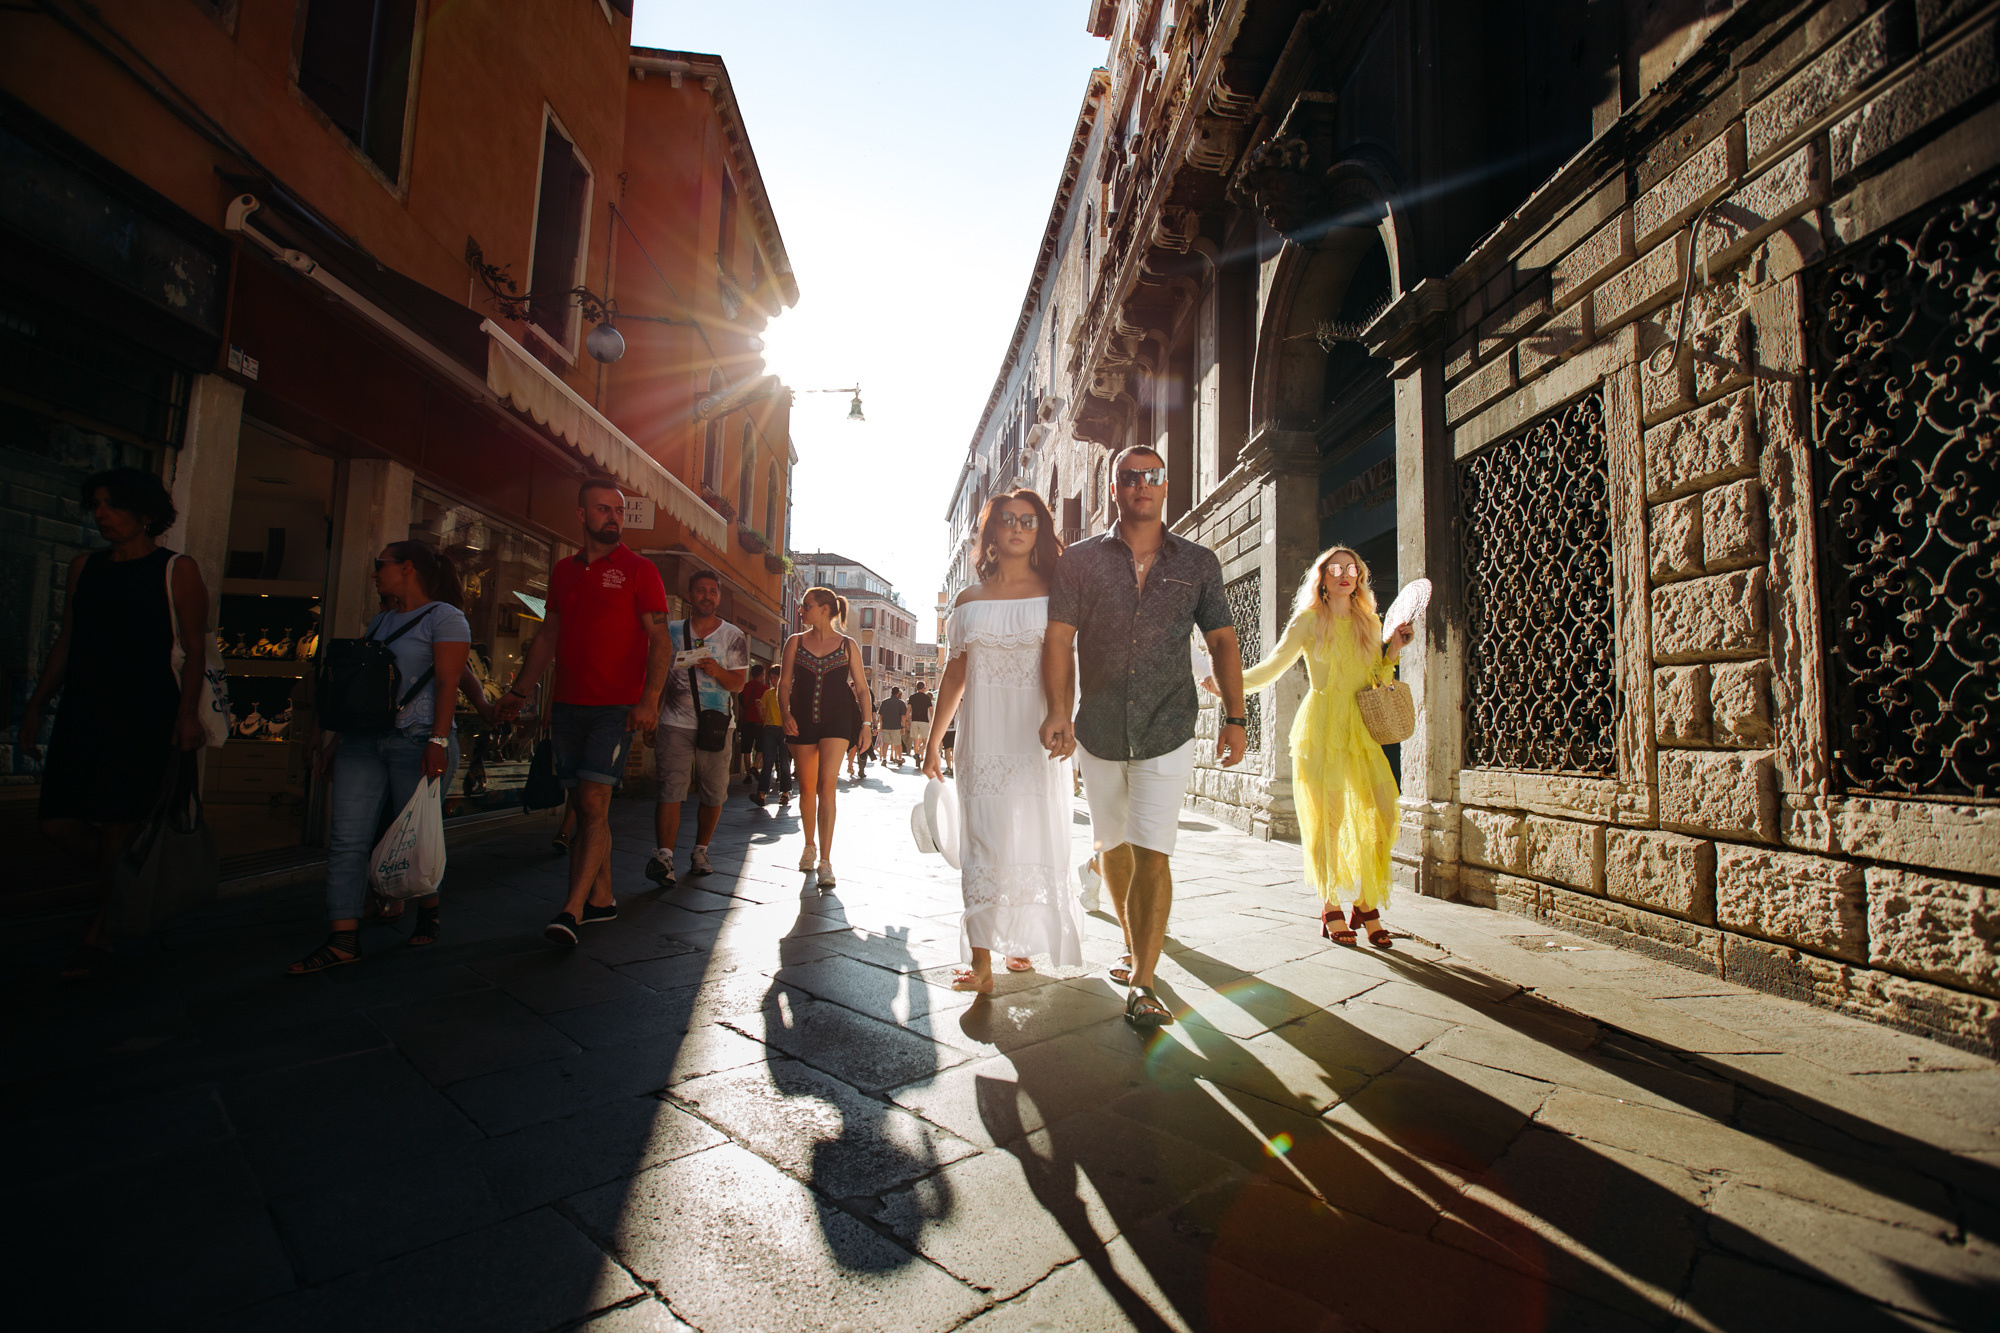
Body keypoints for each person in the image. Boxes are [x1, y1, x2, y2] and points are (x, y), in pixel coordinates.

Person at [1041, 444, 1247, 1028]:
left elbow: (1223, 641)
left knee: (1154, 849)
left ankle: (1144, 981)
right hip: (1100, 728)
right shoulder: (1080, 561)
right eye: (1130, 477)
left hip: (1168, 724)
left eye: (1152, 475)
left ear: (1165, 485)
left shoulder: (1198, 562)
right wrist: (1059, 711)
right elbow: (1058, 639)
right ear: (1114, 489)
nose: (1141, 484)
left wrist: (1235, 717)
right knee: (1114, 845)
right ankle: (1133, 945)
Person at [23, 468, 210, 980]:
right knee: (56, 820)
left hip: (145, 711)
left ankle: (98, 932)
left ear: (145, 514)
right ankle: (133, 882)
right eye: (97, 505)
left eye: (113, 505)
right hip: (83, 708)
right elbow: (67, 638)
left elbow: (195, 650)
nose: (101, 515)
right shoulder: (85, 567)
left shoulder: (177, 569)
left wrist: (186, 714)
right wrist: (38, 703)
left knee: (119, 822)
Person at [497, 479, 672, 944]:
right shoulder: (563, 571)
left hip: (616, 707)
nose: (614, 517)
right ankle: (603, 898)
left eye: (619, 510)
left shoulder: (639, 570)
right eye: (603, 509)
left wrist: (650, 699)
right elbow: (548, 635)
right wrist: (519, 692)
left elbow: (660, 640)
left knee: (593, 802)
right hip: (567, 704)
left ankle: (571, 910)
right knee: (584, 803)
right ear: (582, 515)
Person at [288, 542, 472, 971]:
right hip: (363, 740)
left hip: (416, 739)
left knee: (415, 836)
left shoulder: (446, 617)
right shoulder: (381, 621)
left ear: (407, 568)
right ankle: (342, 937)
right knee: (347, 838)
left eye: (380, 565)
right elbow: (363, 690)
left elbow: (448, 682)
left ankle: (428, 912)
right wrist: (335, 741)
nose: (375, 573)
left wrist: (438, 741)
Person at [925, 490, 1080, 992]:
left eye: (1028, 521)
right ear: (991, 531)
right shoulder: (968, 601)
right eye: (1007, 520)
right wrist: (933, 740)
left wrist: (1065, 717)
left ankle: (1021, 940)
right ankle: (981, 962)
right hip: (982, 737)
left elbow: (1066, 662)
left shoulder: (1057, 593)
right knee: (983, 842)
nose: (1016, 527)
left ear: (1040, 531)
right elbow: (955, 675)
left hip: (1035, 735)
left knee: (1028, 836)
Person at [1231, 546, 1414, 946]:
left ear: (1359, 576)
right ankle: (1331, 905)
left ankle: (1365, 903)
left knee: (1384, 814)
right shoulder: (1308, 621)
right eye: (1335, 568)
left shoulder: (1370, 621)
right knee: (1328, 821)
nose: (1345, 574)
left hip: (1359, 729)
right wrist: (1229, 683)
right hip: (1321, 727)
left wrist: (1394, 650)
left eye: (1352, 568)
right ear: (1323, 578)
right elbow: (1273, 667)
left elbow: (1378, 678)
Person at [648, 570, 748, 886]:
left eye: (713, 591)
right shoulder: (671, 631)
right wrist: (652, 712)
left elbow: (739, 684)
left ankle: (700, 851)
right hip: (673, 722)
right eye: (701, 590)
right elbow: (658, 676)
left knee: (713, 793)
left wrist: (718, 671)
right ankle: (665, 857)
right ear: (690, 595)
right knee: (669, 789)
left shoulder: (733, 635)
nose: (707, 596)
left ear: (719, 597)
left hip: (716, 725)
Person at [778, 587, 870, 888]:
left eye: (806, 606)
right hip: (801, 720)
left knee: (827, 786)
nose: (801, 610)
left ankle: (826, 862)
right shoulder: (794, 642)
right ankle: (809, 846)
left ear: (825, 609)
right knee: (807, 788)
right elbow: (784, 683)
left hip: (838, 721)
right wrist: (785, 714)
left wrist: (866, 724)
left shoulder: (847, 645)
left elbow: (861, 689)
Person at [755, 664, 793, 806]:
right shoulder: (768, 693)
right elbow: (762, 716)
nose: (772, 681)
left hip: (784, 730)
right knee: (767, 762)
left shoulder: (789, 693)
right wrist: (759, 708)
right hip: (769, 729)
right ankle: (761, 793)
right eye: (771, 678)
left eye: (775, 677)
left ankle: (785, 793)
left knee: (784, 762)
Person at [742, 663, 772, 804]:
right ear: (761, 675)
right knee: (760, 747)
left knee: (746, 750)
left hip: (746, 721)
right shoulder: (764, 688)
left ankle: (748, 774)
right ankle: (755, 766)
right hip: (759, 722)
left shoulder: (745, 686)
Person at [878, 687, 909, 766]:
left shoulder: (884, 702)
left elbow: (880, 715)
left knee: (885, 743)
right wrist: (903, 727)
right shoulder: (901, 703)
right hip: (896, 726)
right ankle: (899, 758)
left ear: (891, 692)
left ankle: (884, 759)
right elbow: (903, 716)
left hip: (885, 726)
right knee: (898, 743)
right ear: (898, 693)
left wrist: (881, 725)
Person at [907, 683, 933, 759]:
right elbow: (931, 710)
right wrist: (932, 720)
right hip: (924, 721)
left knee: (916, 741)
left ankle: (917, 758)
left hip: (914, 721)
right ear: (923, 688)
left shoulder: (912, 697)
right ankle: (918, 754)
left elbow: (908, 709)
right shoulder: (927, 698)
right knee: (925, 741)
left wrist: (907, 720)